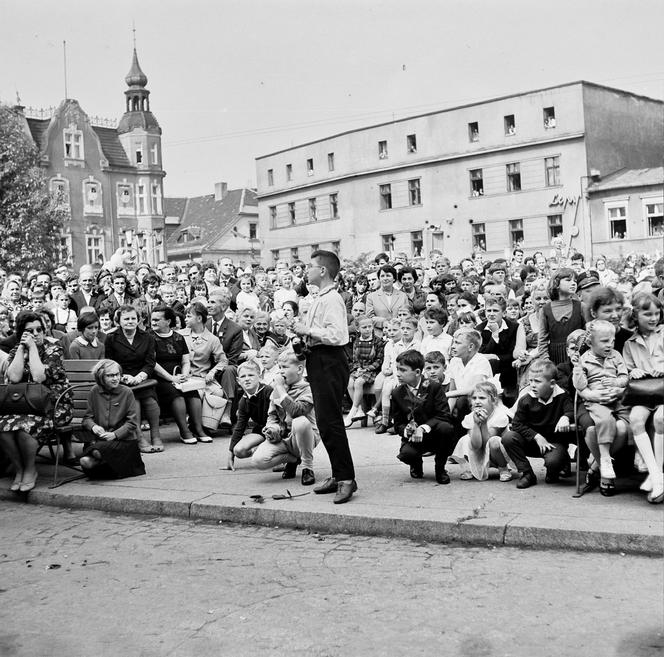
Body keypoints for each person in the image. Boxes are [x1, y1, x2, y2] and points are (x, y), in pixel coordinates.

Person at [293, 250, 357, 504]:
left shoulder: (332, 299)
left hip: (330, 360)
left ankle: (346, 479)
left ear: (323, 271)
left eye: (311, 267)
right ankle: (338, 474)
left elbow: (339, 335)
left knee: (331, 423)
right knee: (326, 421)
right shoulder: (319, 297)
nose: (307, 271)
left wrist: (307, 329)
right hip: (319, 359)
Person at [0, 311, 72, 491]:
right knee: (3, 427)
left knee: (25, 427)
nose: (36, 333)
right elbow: (14, 378)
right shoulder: (17, 349)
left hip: (53, 405)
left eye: (39, 329)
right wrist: (22, 349)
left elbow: (39, 377)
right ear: (21, 333)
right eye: (30, 330)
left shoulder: (54, 349)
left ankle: (31, 469)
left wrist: (32, 349)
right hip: (24, 405)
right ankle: (19, 469)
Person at [572, 320, 629, 496]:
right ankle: (604, 458)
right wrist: (577, 368)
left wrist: (617, 383)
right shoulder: (584, 359)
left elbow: (624, 376)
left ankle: (596, 464)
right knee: (605, 421)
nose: (609, 345)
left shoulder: (616, 356)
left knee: (627, 422)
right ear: (590, 343)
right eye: (604, 341)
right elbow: (580, 386)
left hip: (616, 398)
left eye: (612, 341)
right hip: (597, 400)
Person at [501, 359, 575, 488]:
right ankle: (527, 473)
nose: (532, 385)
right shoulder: (526, 399)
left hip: (553, 443)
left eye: (537, 381)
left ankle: (555, 469)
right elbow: (517, 424)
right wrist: (537, 436)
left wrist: (566, 417)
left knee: (554, 464)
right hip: (532, 441)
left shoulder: (563, 397)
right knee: (508, 438)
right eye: (531, 381)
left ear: (552, 383)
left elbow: (571, 411)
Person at [251, 351, 319, 486]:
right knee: (258, 461)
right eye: (280, 367)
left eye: (285, 367)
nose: (281, 372)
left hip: (304, 437)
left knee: (300, 421)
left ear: (299, 369)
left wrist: (281, 389)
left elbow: (296, 411)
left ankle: (307, 467)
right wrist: (272, 428)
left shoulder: (309, 389)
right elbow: (272, 416)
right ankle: (293, 460)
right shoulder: (277, 389)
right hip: (284, 437)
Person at [622, 293, 664, 504]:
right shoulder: (630, 343)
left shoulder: (663, 334)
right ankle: (657, 474)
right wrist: (633, 372)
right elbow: (626, 369)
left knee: (660, 420)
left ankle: (655, 476)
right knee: (636, 420)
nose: (653, 318)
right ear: (636, 315)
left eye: (657, 313)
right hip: (644, 392)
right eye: (647, 314)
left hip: (663, 389)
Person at [391, 349, 456, 484]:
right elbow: (397, 424)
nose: (398, 374)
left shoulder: (434, 387)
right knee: (407, 454)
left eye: (403, 370)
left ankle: (440, 468)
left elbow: (444, 415)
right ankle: (416, 463)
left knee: (447, 428)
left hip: (434, 433)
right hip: (413, 438)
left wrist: (423, 428)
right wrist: (406, 430)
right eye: (397, 369)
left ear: (418, 372)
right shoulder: (397, 393)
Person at [103, 305, 162, 453]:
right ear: (119, 321)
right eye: (126, 319)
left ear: (139, 320)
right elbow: (109, 363)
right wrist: (122, 377)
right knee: (133, 401)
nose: (130, 321)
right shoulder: (111, 338)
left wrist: (139, 377)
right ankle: (140, 437)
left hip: (143, 379)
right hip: (121, 380)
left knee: (151, 402)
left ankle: (156, 436)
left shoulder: (147, 337)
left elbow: (150, 362)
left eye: (133, 318)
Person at [79, 359, 144, 479]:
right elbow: (87, 418)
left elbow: (132, 422)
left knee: (96, 452)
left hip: (124, 441)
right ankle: (110, 466)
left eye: (117, 374)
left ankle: (112, 464)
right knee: (84, 461)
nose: (115, 378)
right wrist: (94, 426)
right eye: (110, 375)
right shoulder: (94, 391)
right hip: (102, 441)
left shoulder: (127, 392)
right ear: (101, 377)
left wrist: (114, 435)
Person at [150, 306, 196, 446]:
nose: (153, 322)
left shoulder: (178, 337)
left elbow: (186, 361)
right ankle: (184, 431)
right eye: (152, 319)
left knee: (193, 392)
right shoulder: (149, 337)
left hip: (178, 376)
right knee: (176, 393)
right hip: (159, 379)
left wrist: (184, 375)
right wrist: (171, 378)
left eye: (157, 319)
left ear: (168, 321)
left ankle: (199, 430)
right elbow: (153, 363)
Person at [449, 381, 512, 481]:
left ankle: (503, 468)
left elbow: (488, 442)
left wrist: (483, 423)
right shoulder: (469, 417)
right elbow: (476, 445)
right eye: (474, 398)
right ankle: (471, 468)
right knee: (465, 439)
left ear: (493, 400)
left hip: (496, 452)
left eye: (482, 398)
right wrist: (475, 424)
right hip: (479, 450)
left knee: (494, 441)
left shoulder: (500, 416)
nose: (477, 401)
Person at [225, 360, 273, 470]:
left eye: (251, 375)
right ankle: (259, 450)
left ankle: (274, 452)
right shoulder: (243, 401)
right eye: (243, 376)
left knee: (274, 464)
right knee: (239, 450)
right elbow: (240, 427)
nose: (247, 379)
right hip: (261, 430)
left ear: (260, 377)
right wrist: (230, 453)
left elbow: (279, 418)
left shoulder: (268, 391)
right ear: (238, 381)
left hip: (276, 429)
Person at [537, 268, 584, 364]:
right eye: (568, 280)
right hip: (554, 358)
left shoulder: (580, 306)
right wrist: (546, 361)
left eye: (575, 281)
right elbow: (542, 340)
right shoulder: (546, 310)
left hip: (578, 356)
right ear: (556, 284)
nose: (573, 283)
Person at [345, 315, 384, 428]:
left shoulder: (377, 342)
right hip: (360, 369)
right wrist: (358, 368)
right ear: (358, 329)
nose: (367, 329)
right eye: (364, 327)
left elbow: (378, 361)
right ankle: (360, 409)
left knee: (358, 383)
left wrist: (366, 369)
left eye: (369, 326)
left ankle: (353, 411)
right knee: (349, 383)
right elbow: (355, 359)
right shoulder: (357, 341)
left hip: (372, 371)